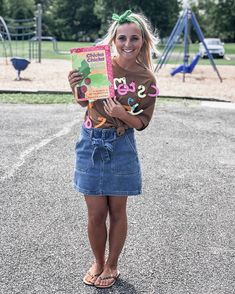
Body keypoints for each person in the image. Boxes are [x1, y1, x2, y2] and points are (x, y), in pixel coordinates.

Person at [68, 10, 159, 289]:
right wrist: (75, 88)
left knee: (118, 210)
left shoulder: (148, 80)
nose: (128, 43)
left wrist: (122, 114)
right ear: (114, 40)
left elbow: (142, 122)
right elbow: (87, 105)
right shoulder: (98, 65)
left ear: (143, 42)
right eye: (122, 38)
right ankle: (97, 261)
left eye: (134, 38)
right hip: (91, 142)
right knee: (96, 212)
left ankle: (112, 265)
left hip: (121, 143)